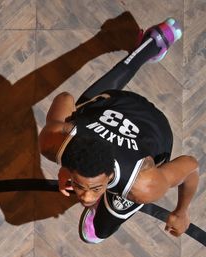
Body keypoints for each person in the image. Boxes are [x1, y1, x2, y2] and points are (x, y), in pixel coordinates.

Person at [39, 17, 200, 243]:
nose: (86, 196)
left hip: (156, 131)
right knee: (88, 107)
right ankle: (151, 44)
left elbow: (191, 167)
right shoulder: (53, 142)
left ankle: (153, 43)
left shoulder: (143, 184)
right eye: (80, 186)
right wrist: (67, 165)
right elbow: (64, 98)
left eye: (95, 188)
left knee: (98, 232)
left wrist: (182, 211)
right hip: (117, 105)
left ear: (110, 176)